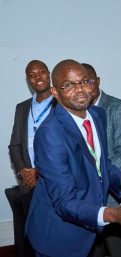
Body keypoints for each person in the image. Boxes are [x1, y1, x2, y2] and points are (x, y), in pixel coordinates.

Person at [25, 59, 121, 257]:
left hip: (89, 230)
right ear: (55, 92)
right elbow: (64, 202)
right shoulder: (50, 133)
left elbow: (100, 162)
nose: (80, 89)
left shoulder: (97, 115)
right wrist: (112, 214)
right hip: (59, 236)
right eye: (69, 85)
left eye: (84, 81)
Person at [81, 63, 121, 257]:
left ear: (98, 81)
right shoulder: (79, 113)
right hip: (89, 201)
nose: (84, 87)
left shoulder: (118, 107)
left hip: (114, 196)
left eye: (88, 81)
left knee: (119, 251)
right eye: (79, 83)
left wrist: (94, 177)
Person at [8, 60, 54, 257]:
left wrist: (40, 171)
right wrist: (23, 171)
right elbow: (15, 146)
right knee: (33, 237)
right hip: (30, 184)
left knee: (55, 237)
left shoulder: (62, 102)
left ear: (49, 74)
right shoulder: (22, 108)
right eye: (32, 75)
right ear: (28, 80)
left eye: (41, 72)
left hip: (55, 183)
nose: (38, 77)